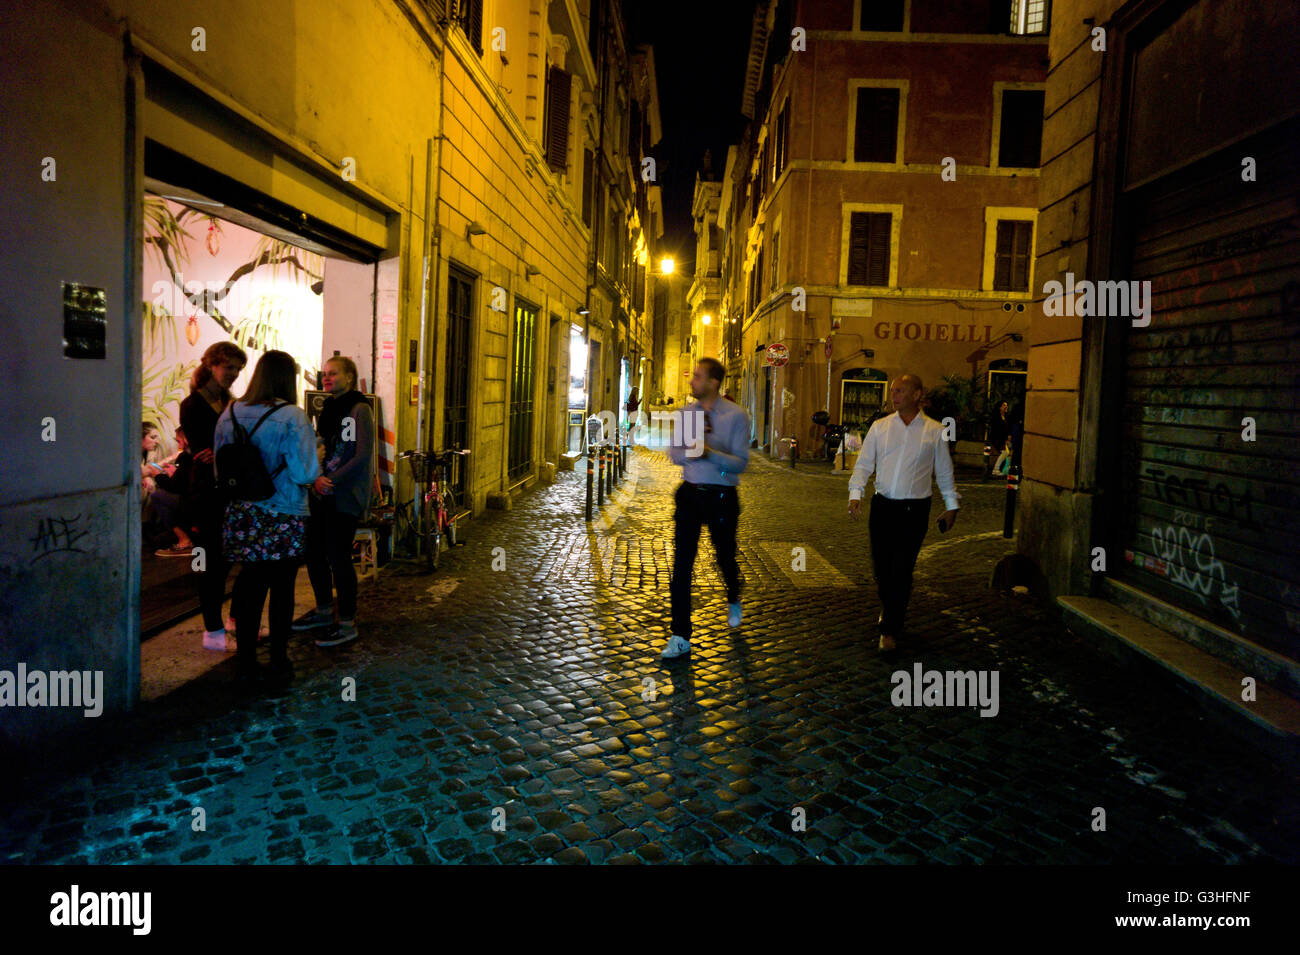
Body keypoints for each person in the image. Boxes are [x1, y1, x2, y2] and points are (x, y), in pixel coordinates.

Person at [213, 349, 319, 687]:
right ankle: (278, 658)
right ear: (287, 379)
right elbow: (304, 473)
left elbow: (220, 467)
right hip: (283, 511)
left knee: (248, 585)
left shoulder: (229, 412)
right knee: (282, 586)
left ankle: (245, 659)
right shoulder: (292, 416)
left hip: (242, 513)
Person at [847, 374, 960, 652]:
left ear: (917, 394)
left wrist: (951, 505)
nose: (893, 395)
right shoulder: (880, 427)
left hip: (915, 510)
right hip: (883, 506)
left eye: (900, 391)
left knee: (903, 568)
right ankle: (889, 605)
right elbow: (864, 464)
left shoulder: (934, 430)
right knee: (882, 569)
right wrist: (855, 493)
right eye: (893, 391)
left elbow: (944, 471)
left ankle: (890, 630)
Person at [661, 357, 751, 660]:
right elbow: (674, 455)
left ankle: (734, 593)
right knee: (682, 565)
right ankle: (680, 634)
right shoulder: (686, 414)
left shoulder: (736, 416)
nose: (691, 381)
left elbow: (741, 463)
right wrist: (691, 452)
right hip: (689, 494)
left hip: (722, 495)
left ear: (713, 382)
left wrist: (710, 454)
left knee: (724, 555)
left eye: (698, 377)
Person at [293, 356, 375, 648]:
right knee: (313, 551)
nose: (326, 378)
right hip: (321, 491)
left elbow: (361, 455)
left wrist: (332, 480)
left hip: (343, 495)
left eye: (333, 374)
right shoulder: (328, 408)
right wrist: (315, 476)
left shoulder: (359, 409)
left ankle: (348, 622)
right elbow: (322, 445)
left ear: (350, 377)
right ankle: (324, 611)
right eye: (324, 374)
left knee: (339, 556)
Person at [179, 341, 247, 652]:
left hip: (228, 490)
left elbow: (222, 450)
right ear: (211, 365)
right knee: (211, 563)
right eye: (228, 366)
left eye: (237, 368)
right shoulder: (194, 404)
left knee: (233, 560)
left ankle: (232, 622)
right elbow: (206, 451)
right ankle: (214, 630)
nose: (233, 373)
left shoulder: (228, 403)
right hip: (206, 493)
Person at [153, 427, 198, 556]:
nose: (178, 445)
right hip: (201, 500)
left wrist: (157, 475)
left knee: (157, 495)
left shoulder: (186, 456)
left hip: (192, 502)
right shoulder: (203, 451)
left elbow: (176, 486)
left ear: (186, 439)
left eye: (178, 441)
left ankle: (184, 541)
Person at [986, 400, 1010, 478]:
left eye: (1006, 405)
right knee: (1005, 453)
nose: (1006, 406)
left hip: (1002, 439)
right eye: (1004, 405)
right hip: (997, 438)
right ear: (999, 407)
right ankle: (996, 470)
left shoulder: (1005, 417)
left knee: (1006, 453)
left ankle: (1003, 469)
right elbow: (996, 429)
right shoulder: (996, 417)